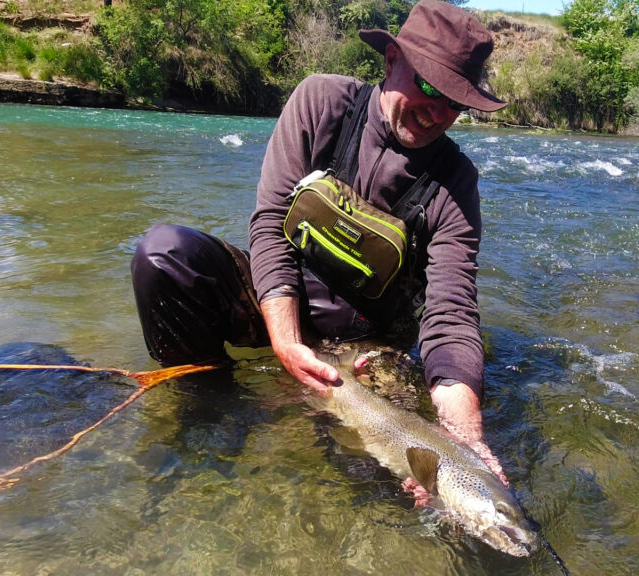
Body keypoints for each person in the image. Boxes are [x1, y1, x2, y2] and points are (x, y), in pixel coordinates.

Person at [130, 0, 508, 479]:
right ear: (391, 60)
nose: (436, 112)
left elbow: (450, 313)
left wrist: (466, 440)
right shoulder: (323, 102)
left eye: (454, 102)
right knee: (165, 256)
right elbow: (269, 221)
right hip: (281, 302)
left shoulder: (456, 182)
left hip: (369, 346)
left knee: (382, 479)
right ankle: (210, 400)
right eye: (429, 86)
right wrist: (286, 344)